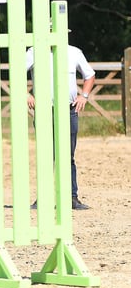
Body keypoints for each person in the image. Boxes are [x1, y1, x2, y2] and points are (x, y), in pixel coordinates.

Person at [26, 39, 96, 210]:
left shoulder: (74, 51)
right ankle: (43, 198)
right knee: (46, 154)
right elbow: (16, 72)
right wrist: (24, 93)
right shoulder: (33, 51)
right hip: (44, 109)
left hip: (68, 108)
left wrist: (84, 96)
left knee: (68, 155)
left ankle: (71, 197)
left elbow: (89, 74)